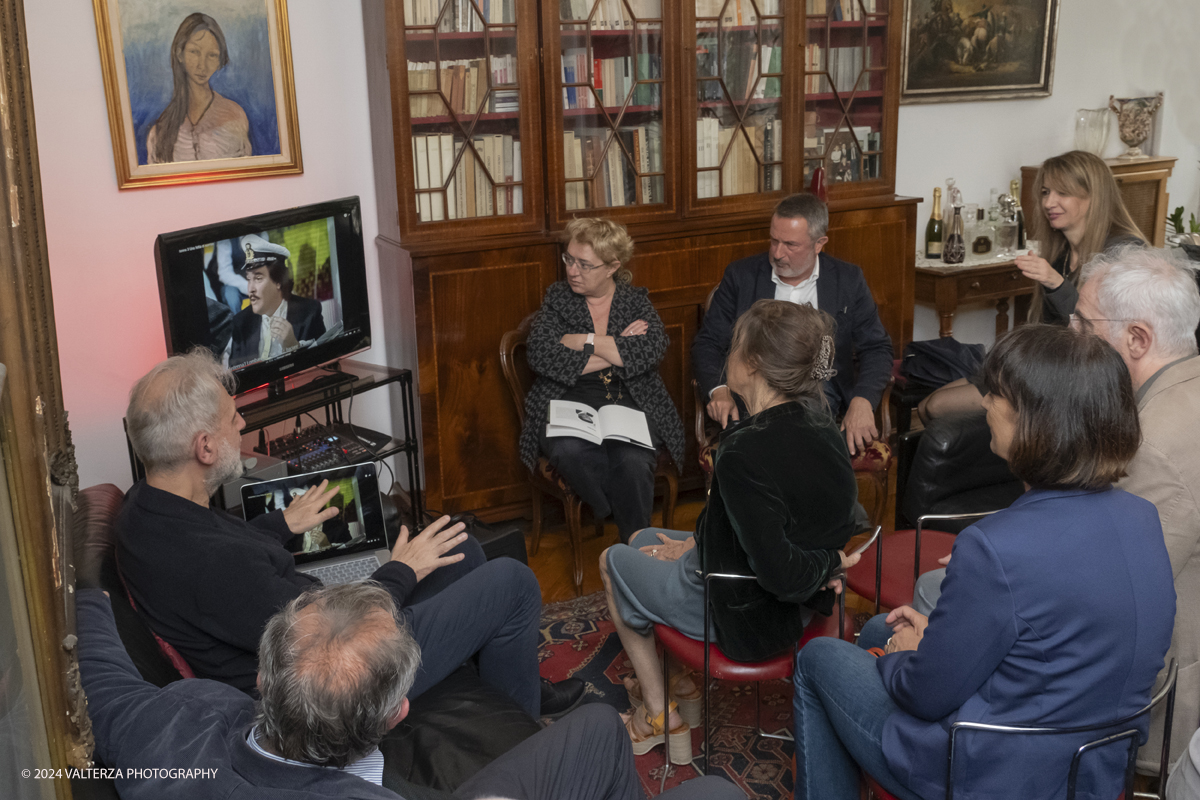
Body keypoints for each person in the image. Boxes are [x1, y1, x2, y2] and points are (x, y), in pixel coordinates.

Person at [793, 324, 1176, 800]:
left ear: (1036, 421)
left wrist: (905, 658)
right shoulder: (1142, 517)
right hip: (1092, 765)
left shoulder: (995, 547)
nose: (986, 403)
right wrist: (915, 647)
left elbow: (926, 695)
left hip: (991, 774)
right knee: (877, 631)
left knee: (817, 657)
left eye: (995, 394)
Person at [117, 347, 584, 717]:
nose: (242, 424)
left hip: (308, 636)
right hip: (332, 686)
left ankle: (513, 689)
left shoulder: (146, 510)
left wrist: (282, 523)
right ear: (204, 447)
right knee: (513, 581)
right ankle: (521, 734)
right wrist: (401, 571)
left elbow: (228, 565)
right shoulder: (215, 565)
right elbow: (331, 632)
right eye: (233, 417)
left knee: (460, 549)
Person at [911, 246, 1200, 773]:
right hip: (1104, 657)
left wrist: (999, 561)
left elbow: (1118, 586)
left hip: (1109, 702)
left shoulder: (1153, 441)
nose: (1071, 335)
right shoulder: (1178, 392)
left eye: (1084, 323)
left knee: (932, 599)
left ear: (1137, 338)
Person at [77, 582, 744, 800]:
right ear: (397, 715)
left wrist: (82, 589)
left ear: (263, 676)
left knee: (597, 732)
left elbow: (100, 671)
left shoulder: (157, 736)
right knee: (711, 790)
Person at [601, 300, 860, 762]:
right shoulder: (822, 426)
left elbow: (779, 570)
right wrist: (691, 547)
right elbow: (786, 520)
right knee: (643, 541)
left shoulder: (742, 449)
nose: (728, 355)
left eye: (734, 346)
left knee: (612, 560)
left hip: (747, 614)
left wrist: (830, 564)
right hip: (794, 603)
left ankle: (659, 716)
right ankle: (679, 682)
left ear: (754, 363)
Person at [916, 150, 1145, 422]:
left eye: (1062, 193)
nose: (1049, 202)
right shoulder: (1061, 253)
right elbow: (1047, 332)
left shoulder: (1123, 253)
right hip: (1047, 369)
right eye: (1046, 192)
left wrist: (1055, 283)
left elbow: (1104, 337)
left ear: (1093, 195)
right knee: (923, 406)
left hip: (1079, 383)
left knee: (936, 407)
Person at [519, 218, 684, 544]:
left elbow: (651, 350)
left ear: (612, 267)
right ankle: (608, 508)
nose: (572, 271)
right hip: (567, 397)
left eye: (584, 264)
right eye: (569, 259)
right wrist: (617, 345)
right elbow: (540, 355)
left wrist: (581, 340)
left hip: (630, 398)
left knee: (633, 459)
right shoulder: (557, 298)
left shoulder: (636, 301)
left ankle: (637, 547)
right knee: (567, 451)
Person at [691, 193, 893, 454]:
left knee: (805, 434)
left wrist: (863, 400)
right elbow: (707, 343)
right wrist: (718, 391)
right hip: (756, 388)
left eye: (790, 244)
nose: (777, 253)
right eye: (774, 240)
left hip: (819, 389)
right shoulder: (741, 276)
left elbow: (877, 347)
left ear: (819, 243)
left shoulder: (847, 280)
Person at [146, 13, 252, 164]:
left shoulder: (234, 116)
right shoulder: (160, 131)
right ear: (179, 54)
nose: (202, 65)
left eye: (212, 55)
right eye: (194, 52)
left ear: (219, 60)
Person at [226, 235, 326, 368]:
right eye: (248, 279)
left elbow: (324, 364)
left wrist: (292, 346)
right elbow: (237, 377)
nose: (251, 289)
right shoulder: (241, 322)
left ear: (278, 281)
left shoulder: (310, 312)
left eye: (258, 278)